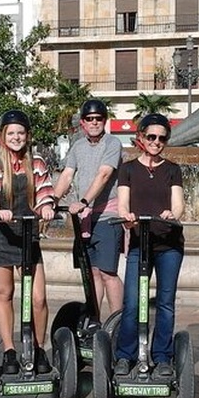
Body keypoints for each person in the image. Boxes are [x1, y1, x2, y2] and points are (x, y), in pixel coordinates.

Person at [0, 109, 56, 375]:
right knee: (5, 293)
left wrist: (46, 207)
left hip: (28, 236)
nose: (16, 137)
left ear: (27, 136)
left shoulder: (37, 163)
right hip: (0, 234)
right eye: (11, 133)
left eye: (21, 132)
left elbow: (46, 193)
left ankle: (39, 346)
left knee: (38, 297)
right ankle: (10, 351)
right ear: (2, 136)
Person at [113, 113, 185, 379]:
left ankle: (163, 356)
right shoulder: (128, 169)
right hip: (139, 244)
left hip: (169, 245)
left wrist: (172, 213)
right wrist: (127, 219)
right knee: (132, 302)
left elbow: (178, 203)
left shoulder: (172, 169)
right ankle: (125, 355)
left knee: (165, 303)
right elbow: (123, 203)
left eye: (162, 138)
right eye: (151, 137)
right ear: (140, 137)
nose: (156, 142)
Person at [53, 99, 124, 315]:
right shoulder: (78, 146)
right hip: (85, 219)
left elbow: (104, 174)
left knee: (108, 272)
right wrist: (52, 199)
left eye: (98, 119)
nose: (94, 123)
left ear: (105, 121)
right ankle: (95, 319)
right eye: (89, 119)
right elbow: (67, 174)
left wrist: (84, 201)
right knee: (92, 272)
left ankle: (117, 322)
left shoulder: (113, 144)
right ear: (83, 122)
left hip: (107, 216)